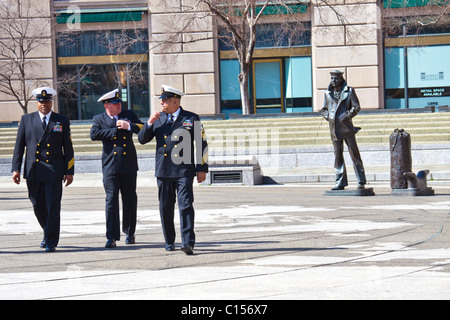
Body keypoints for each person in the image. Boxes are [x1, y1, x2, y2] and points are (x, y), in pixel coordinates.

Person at [138, 85, 208, 255]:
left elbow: (201, 144)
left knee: (185, 205)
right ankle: (169, 241)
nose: (162, 103)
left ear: (175, 102)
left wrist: (202, 168)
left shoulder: (191, 118)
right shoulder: (158, 118)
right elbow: (142, 140)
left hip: (184, 170)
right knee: (165, 207)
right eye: (162, 101)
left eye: (165, 101)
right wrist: (148, 123)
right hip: (164, 170)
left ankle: (188, 242)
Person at [12, 87, 75, 252]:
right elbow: (19, 147)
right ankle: (47, 231)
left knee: (53, 205)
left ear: (51, 102)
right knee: (37, 205)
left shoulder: (60, 120)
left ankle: (50, 240)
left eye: (47, 101)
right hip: (34, 170)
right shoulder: (26, 120)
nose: (44, 104)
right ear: (36, 102)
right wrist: (15, 169)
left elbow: (68, 147)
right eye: (41, 101)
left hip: (54, 170)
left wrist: (69, 171)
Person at [90, 89, 144, 248]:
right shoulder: (99, 118)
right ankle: (111, 236)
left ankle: (130, 232)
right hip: (110, 166)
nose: (119, 106)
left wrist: (129, 126)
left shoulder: (129, 115)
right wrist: (113, 130)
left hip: (128, 165)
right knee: (111, 200)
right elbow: (93, 134)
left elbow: (142, 127)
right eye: (115, 104)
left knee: (129, 199)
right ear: (107, 105)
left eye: (120, 103)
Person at [320, 70, 367, 190]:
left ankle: (361, 181)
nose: (333, 81)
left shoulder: (349, 91)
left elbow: (356, 107)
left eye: (335, 78)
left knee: (354, 154)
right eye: (332, 78)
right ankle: (340, 182)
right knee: (338, 157)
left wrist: (346, 116)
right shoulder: (327, 93)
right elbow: (324, 108)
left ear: (341, 79)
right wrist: (328, 116)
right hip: (334, 128)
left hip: (347, 128)